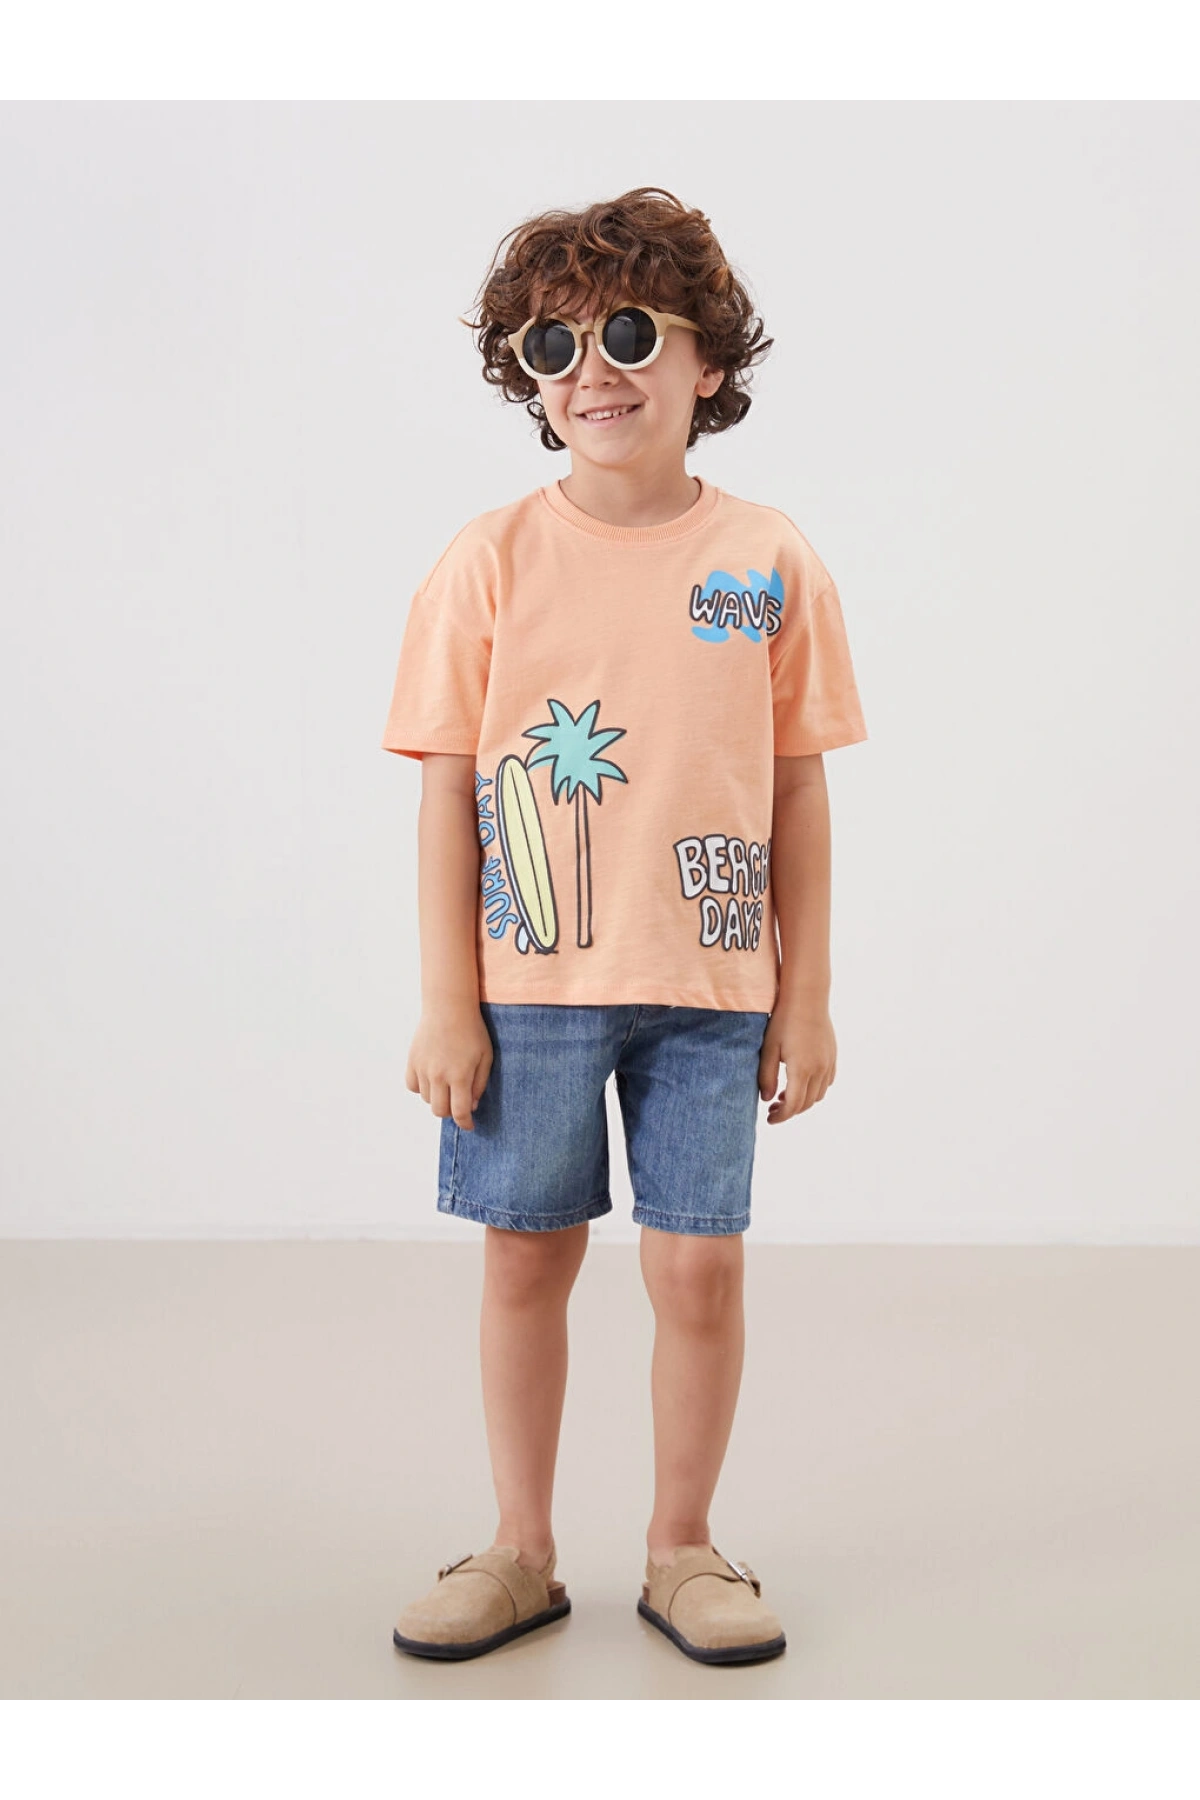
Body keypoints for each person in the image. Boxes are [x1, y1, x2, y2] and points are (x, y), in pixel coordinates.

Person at [381, 186, 867, 1666]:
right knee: (526, 1258)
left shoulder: (768, 560)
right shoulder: (486, 561)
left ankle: (683, 1548)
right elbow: (447, 795)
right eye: (554, 345)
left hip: (714, 988)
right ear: (527, 379)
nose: (593, 370)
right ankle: (520, 1550)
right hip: (526, 987)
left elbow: (798, 791)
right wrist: (447, 1001)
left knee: (697, 1266)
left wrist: (807, 995)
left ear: (708, 361)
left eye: (633, 335)